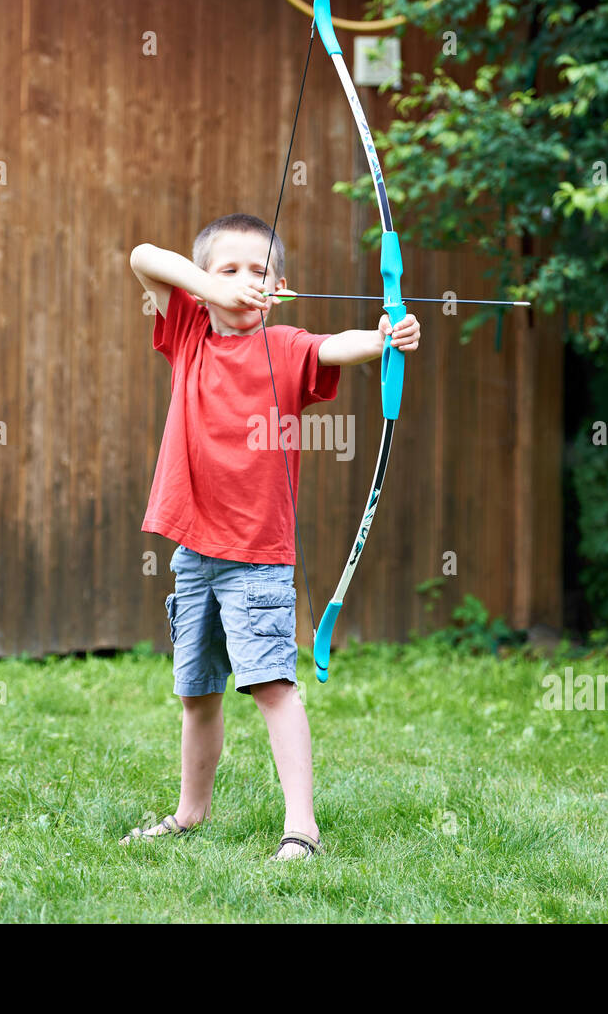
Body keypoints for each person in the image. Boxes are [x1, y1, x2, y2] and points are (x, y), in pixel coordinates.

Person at [122, 213, 420, 860]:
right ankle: (189, 813)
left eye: (258, 272)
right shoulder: (188, 334)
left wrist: (384, 335)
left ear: (279, 288)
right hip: (194, 551)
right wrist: (208, 286)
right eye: (228, 268)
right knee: (195, 694)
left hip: (256, 556)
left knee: (272, 686)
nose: (242, 282)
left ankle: (301, 827)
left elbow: (333, 347)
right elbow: (144, 253)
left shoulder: (284, 347)